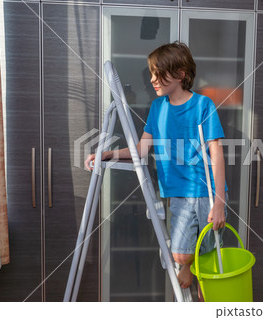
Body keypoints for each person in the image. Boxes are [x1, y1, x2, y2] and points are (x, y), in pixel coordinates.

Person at [85, 41, 227, 300]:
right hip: (179, 193)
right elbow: (141, 148)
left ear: (181, 74)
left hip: (206, 191)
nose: (152, 79)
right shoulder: (158, 108)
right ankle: (188, 266)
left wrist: (219, 202)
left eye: (158, 73)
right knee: (181, 254)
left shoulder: (203, 106)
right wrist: (108, 153)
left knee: (208, 263)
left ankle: (200, 286)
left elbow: (216, 153)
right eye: (151, 73)